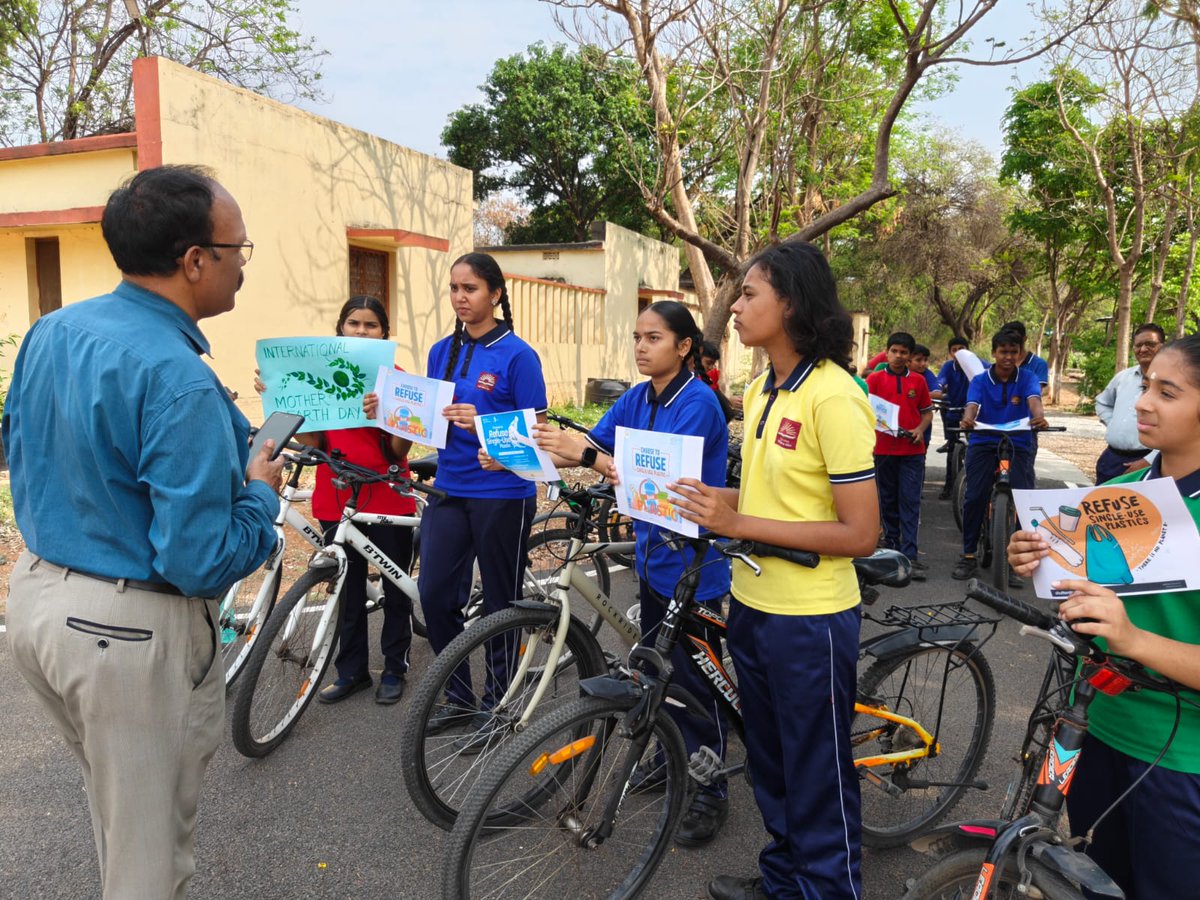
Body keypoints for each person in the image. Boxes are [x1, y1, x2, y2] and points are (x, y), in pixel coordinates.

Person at [2, 165, 284, 898]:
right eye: (238, 250)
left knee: (120, 817)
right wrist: (260, 495)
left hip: (37, 601)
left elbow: (23, 445)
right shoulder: (177, 377)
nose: (242, 266)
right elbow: (200, 559)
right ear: (194, 260)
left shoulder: (53, 330)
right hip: (125, 633)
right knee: (148, 863)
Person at [671, 242, 879, 900]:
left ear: (790, 304)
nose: (734, 306)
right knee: (771, 763)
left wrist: (739, 524)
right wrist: (718, 502)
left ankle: (827, 890)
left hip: (811, 620)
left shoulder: (834, 396)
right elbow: (771, 501)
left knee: (817, 774)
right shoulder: (762, 388)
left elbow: (861, 533)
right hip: (754, 605)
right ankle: (785, 880)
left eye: (750, 294)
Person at [1007, 332, 1200, 899]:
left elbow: (1128, 627)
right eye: (1147, 386)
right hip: (1091, 728)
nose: (1143, 402)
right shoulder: (1116, 493)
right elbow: (1082, 595)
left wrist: (1132, 638)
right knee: (1097, 882)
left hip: (1181, 758)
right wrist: (1036, 560)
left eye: (1167, 392)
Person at [534, 300, 733, 847]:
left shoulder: (698, 404)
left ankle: (711, 787)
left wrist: (591, 459)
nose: (641, 347)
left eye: (654, 338)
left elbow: (657, 481)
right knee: (658, 673)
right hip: (652, 559)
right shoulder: (637, 396)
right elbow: (595, 445)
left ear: (685, 346)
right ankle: (675, 756)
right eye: (637, 337)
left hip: (692, 567)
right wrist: (528, 452)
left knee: (695, 685)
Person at [255, 296, 417, 705]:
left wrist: (387, 416)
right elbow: (314, 440)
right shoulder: (318, 375)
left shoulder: (396, 379)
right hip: (337, 495)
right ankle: (352, 671)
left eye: (371, 325)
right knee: (346, 588)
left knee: (395, 589)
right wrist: (279, 395)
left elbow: (399, 450)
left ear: (384, 333)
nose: (361, 331)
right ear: (340, 329)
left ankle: (395, 667)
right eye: (353, 323)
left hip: (387, 493)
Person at [418, 252, 548, 734]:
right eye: (454, 288)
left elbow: (537, 433)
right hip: (449, 489)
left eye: (470, 288)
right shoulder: (440, 351)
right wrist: (389, 410)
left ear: (494, 293)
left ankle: (500, 704)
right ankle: (458, 698)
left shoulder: (518, 355)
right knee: (434, 595)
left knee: (501, 604)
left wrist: (484, 423)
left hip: (503, 494)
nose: (460, 297)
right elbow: (427, 418)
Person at [951, 329, 1047, 583]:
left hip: (1019, 442)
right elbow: (972, 405)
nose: (1008, 357)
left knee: (1025, 501)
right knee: (975, 496)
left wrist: (1039, 417)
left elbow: (1034, 401)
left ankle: (1017, 561)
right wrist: (968, 419)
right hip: (984, 440)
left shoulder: (1028, 377)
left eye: (1014, 352)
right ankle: (968, 555)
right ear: (994, 353)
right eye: (1003, 352)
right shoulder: (980, 380)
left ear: (1019, 353)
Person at [867, 332, 933, 581]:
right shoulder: (874, 380)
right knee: (886, 500)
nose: (898, 356)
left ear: (909, 356)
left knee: (910, 501)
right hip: (883, 450)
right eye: (894, 351)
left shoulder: (918, 381)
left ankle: (910, 555)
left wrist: (919, 430)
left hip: (912, 451)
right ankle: (892, 550)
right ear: (886, 353)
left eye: (903, 352)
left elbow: (927, 413)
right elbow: (866, 412)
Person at [1093, 323, 1165, 484]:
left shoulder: (1171, 382)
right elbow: (1102, 402)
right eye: (1138, 345)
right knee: (1101, 499)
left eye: (1150, 344)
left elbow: (1178, 429)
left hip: (1148, 461)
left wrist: (1150, 460)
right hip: (1111, 459)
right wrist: (1113, 422)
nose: (1143, 349)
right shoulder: (1123, 377)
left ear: (1163, 346)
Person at [933, 336, 975, 497]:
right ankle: (949, 486)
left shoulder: (978, 364)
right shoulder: (948, 367)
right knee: (952, 449)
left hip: (974, 413)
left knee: (976, 448)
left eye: (961, 349)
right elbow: (939, 382)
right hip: (953, 409)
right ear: (950, 353)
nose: (958, 352)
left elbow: (988, 377)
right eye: (954, 350)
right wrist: (937, 390)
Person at [911, 343, 938, 451]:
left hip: (923, 426)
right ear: (908, 360)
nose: (923, 364)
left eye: (925, 360)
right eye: (918, 360)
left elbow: (938, 393)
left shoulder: (927, 374)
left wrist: (918, 395)